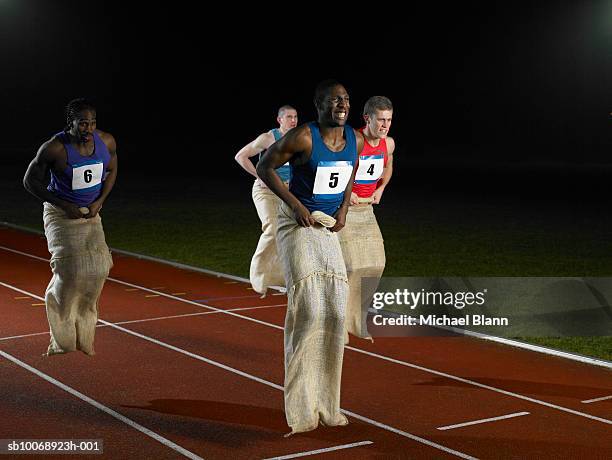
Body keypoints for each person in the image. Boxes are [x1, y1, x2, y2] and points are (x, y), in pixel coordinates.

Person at [257, 80, 364, 434]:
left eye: (346, 99)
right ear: (319, 105)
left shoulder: (356, 139)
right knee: (311, 310)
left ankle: (328, 406)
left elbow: (349, 175)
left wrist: (345, 210)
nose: (342, 104)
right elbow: (265, 168)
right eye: (334, 100)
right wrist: (296, 205)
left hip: (329, 226)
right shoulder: (304, 136)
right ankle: (302, 411)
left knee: (334, 312)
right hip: (297, 225)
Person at [23, 97, 117, 356]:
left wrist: (100, 200)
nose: (88, 129)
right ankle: (61, 334)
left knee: (100, 267)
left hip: (91, 212)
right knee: (71, 269)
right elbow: (30, 181)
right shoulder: (54, 148)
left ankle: (83, 332)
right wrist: (63, 205)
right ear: (71, 124)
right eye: (83, 124)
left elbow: (113, 168)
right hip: (60, 214)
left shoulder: (106, 141)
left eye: (92, 123)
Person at [338, 96, 395, 342]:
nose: (385, 125)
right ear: (367, 118)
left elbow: (388, 166)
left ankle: (356, 321)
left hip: (366, 210)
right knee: (350, 267)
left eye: (389, 120)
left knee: (376, 264)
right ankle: (339, 324)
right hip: (345, 211)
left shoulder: (388, 144)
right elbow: (335, 168)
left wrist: (381, 188)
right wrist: (345, 193)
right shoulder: (353, 141)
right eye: (380, 120)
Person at [235, 106, 298, 295]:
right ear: (279, 120)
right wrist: (259, 175)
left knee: (291, 234)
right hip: (267, 190)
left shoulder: (299, 139)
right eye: (289, 117)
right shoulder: (268, 138)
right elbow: (241, 156)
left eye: (295, 117)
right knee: (272, 227)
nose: (293, 121)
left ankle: (280, 277)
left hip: (289, 191)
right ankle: (258, 274)